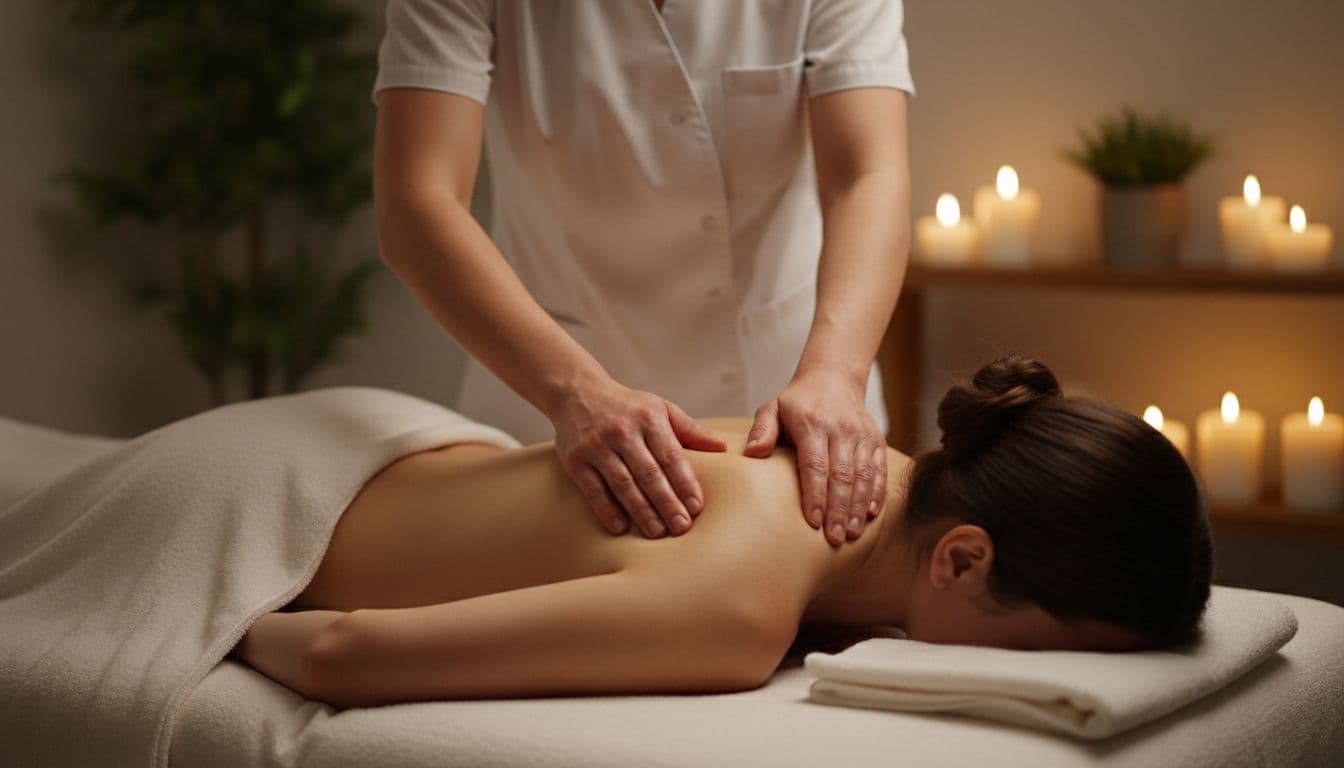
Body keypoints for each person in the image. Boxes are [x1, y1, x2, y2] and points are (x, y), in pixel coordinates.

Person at [232, 356, 1213, 708]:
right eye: (1054, 654)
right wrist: (223, 619)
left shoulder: (870, 469)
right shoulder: (740, 614)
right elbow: (335, 652)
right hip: (259, 506)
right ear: (963, 558)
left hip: (364, 442)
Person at [372, 0, 916, 548]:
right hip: (548, 412)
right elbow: (418, 204)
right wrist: (572, 392)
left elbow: (868, 176)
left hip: (800, 414)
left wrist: (835, 376)